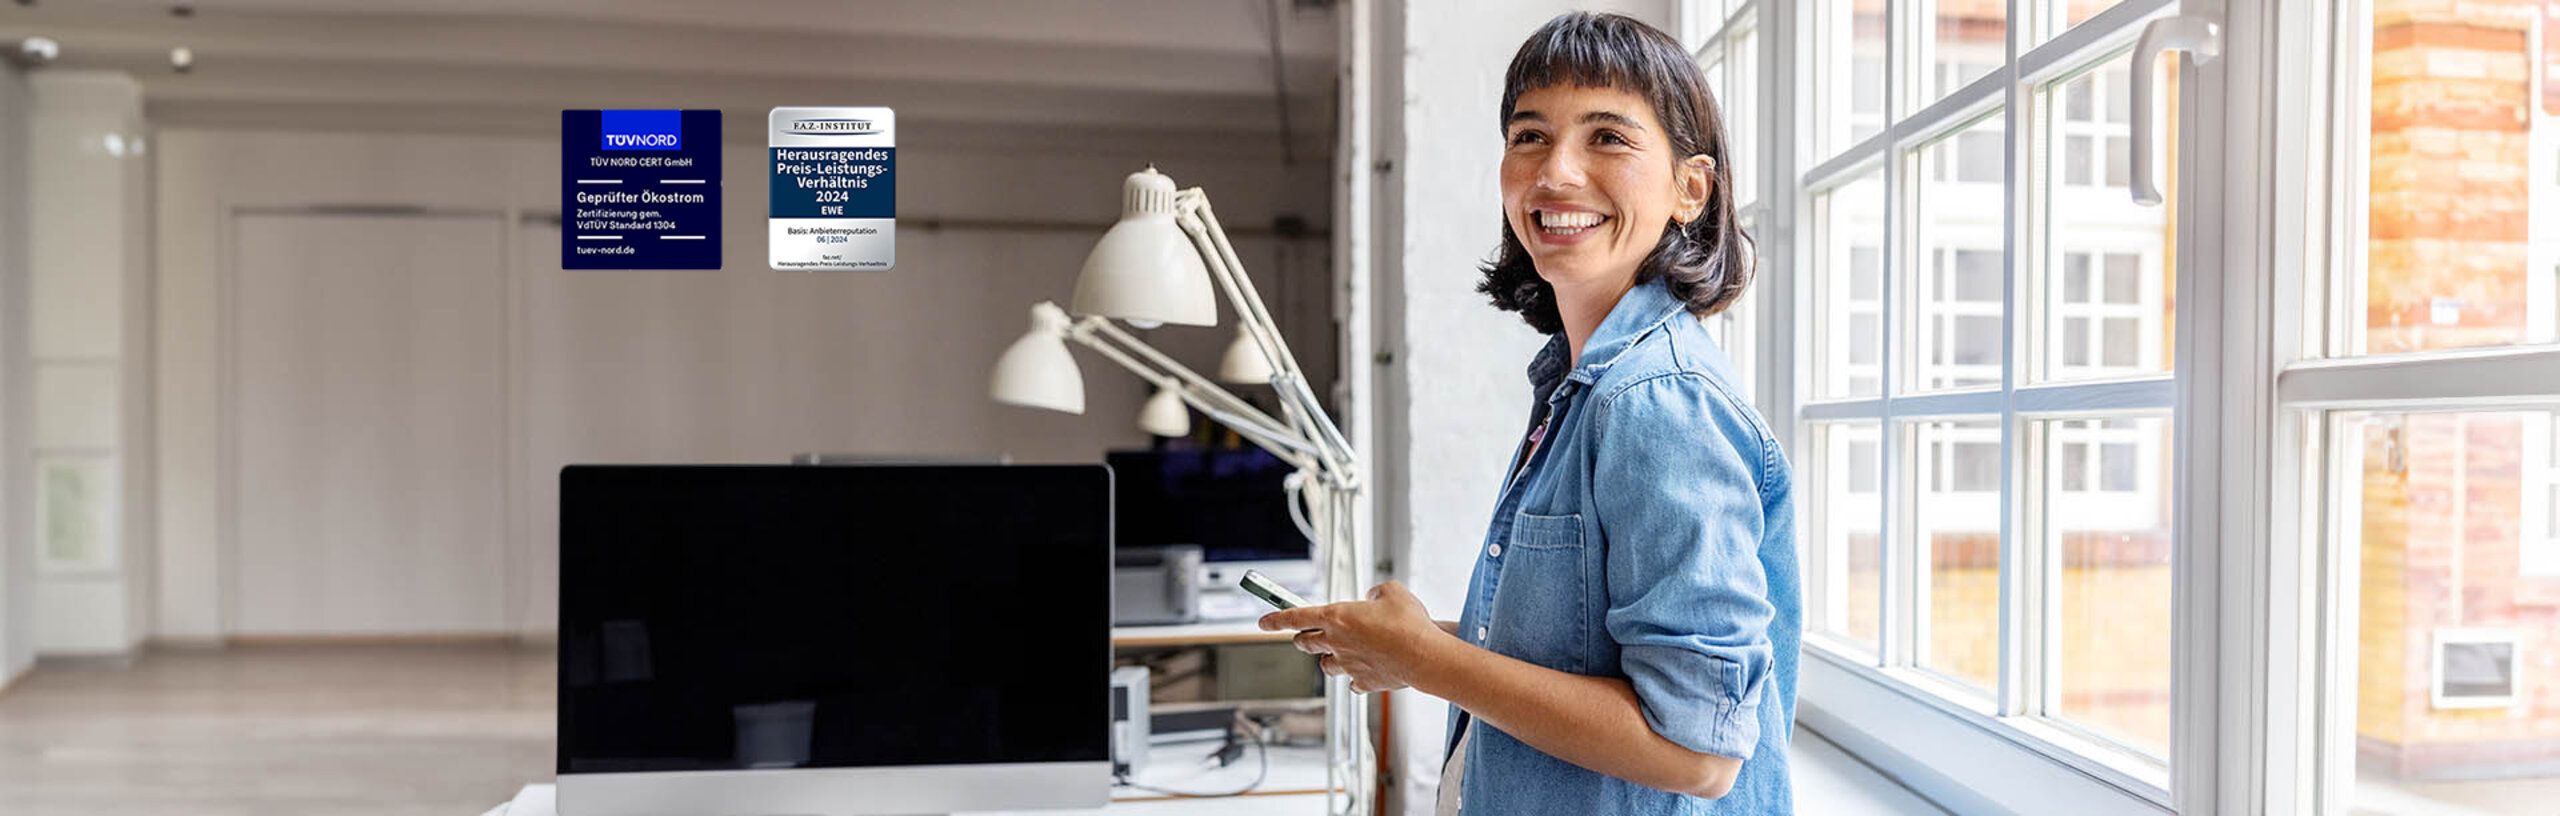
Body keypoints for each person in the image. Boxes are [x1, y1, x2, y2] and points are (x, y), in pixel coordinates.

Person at [1257, 11, 1800, 815]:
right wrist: (1412, 650)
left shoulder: (1657, 402)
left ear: (1692, 189)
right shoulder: (1581, 386)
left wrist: (1426, 660)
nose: (1555, 174)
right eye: (1529, 136)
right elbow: (1585, 655)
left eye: (1608, 137)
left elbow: (1697, 750)